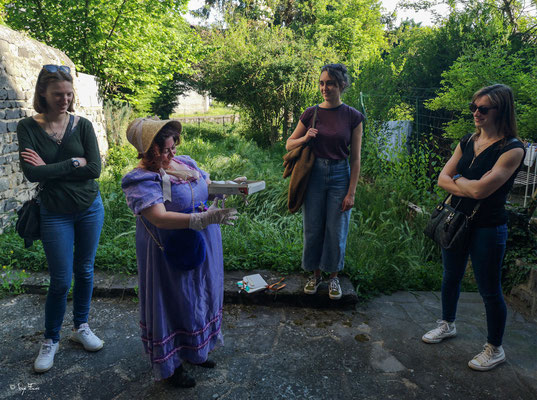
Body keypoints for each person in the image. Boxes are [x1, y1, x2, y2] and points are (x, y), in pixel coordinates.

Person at [121, 117, 237, 388]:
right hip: (170, 247)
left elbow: (206, 189)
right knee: (176, 298)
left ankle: (197, 350)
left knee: (202, 292)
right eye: (164, 151)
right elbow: (159, 217)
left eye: (173, 148)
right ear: (147, 151)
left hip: (201, 241)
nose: (170, 154)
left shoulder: (185, 163)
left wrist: (231, 186)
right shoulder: (141, 179)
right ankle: (171, 365)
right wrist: (198, 220)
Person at [422, 84, 525, 371]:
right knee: (450, 276)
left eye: (483, 109)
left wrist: (460, 183)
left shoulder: (513, 148)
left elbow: (482, 191)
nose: (476, 113)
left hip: (488, 228)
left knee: (489, 289)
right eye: (474, 107)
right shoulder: (467, 141)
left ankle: (495, 348)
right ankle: (447, 324)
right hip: (456, 221)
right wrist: (468, 185)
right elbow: (442, 178)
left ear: (500, 110)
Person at [16, 65, 105, 373]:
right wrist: (72, 162)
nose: (64, 99)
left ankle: (81, 327)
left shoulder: (82, 125)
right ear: (43, 93)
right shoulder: (27, 127)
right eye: (58, 94)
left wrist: (52, 168)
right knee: (60, 280)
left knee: (85, 270)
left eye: (69, 94)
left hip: (90, 206)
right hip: (54, 213)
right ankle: (51, 339)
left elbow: (94, 169)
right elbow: (32, 173)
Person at [285, 63, 364, 300]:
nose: (324, 87)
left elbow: (356, 158)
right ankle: (315, 274)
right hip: (314, 174)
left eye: (330, 83)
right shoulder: (311, 113)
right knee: (313, 226)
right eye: (321, 83)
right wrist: (305, 137)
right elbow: (289, 144)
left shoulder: (353, 116)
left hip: (341, 175)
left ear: (342, 85)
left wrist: (351, 193)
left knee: (336, 229)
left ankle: (333, 278)